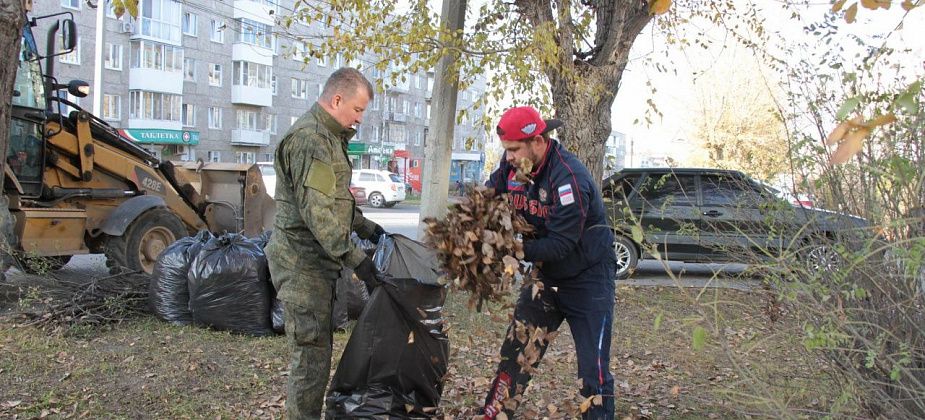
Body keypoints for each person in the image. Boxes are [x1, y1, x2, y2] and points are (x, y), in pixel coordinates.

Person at [480, 106, 617, 419]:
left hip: (589, 277)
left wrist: (508, 248)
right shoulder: (512, 166)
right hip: (546, 275)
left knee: (592, 369)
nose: (508, 157)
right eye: (506, 150)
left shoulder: (569, 178)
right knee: (516, 351)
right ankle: (492, 414)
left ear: (538, 141)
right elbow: (490, 195)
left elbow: (560, 244)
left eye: (514, 149)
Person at [265, 67, 386, 419]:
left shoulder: (330, 137)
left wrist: (368, 228)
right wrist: (357, 260)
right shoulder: (311, 141)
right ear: (336, 100)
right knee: (310, 361)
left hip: (316, 266)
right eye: (357, 109)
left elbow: (335, 201)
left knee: (316, 353)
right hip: (301, 267)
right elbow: (318, 214)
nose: (359, 118)